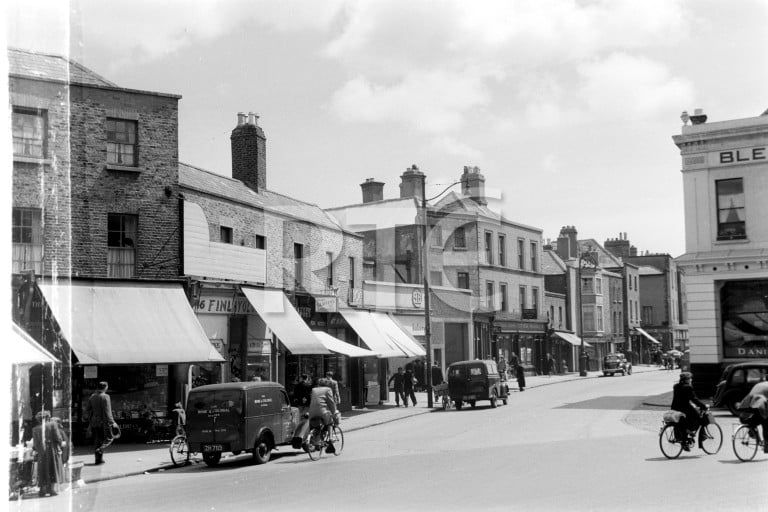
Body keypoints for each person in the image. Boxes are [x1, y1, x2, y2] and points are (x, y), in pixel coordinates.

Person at [670, 372, 708, 451]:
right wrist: (703, 406)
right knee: (699, 418)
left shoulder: (676, 386)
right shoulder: (688, 387)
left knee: (683, 423)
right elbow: (694, 399)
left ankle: (687, 435)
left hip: (675, 408)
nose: (691, 380)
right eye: (690, 378)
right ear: (687, 380)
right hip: (685, 408)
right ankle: (690, 433)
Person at [32, 411, 65, 497]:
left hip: (41, 452)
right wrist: (60, 444)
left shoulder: (35, 429)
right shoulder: (53, 424)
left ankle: (42, 490)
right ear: (47, 417)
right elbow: (58, 438)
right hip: (51, 449)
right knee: (53, 468)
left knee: (42, 469)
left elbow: (35, 444)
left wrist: (39, 450)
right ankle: (52, 490)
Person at [85, 381, 118, 465]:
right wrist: (112, 422)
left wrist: (91, 419)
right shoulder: (106, 396)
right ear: (105, 387)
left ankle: (98, 459)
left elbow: (88, 409)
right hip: (103, 422)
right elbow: (108, 411)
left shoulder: (92, 396)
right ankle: (100, 450)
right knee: (110, 438)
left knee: (97, 440)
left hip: (94, 422)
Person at [308, 378, 341, 453]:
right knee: (330, 422)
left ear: (319, 384)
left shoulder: (314, 390)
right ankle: (330, 438)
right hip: (322, 411)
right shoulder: (328, 389)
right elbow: (331, 402)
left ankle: (316, 440)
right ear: (327, 384)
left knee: (317, 426)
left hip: (312, 412)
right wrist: (334, 411)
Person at [737, 379, 768, 454]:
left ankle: (753, 432)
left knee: (753, 418)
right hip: (757, 406)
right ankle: (766, 446)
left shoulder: (759, 384)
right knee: (766, 423)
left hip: (745, 410)